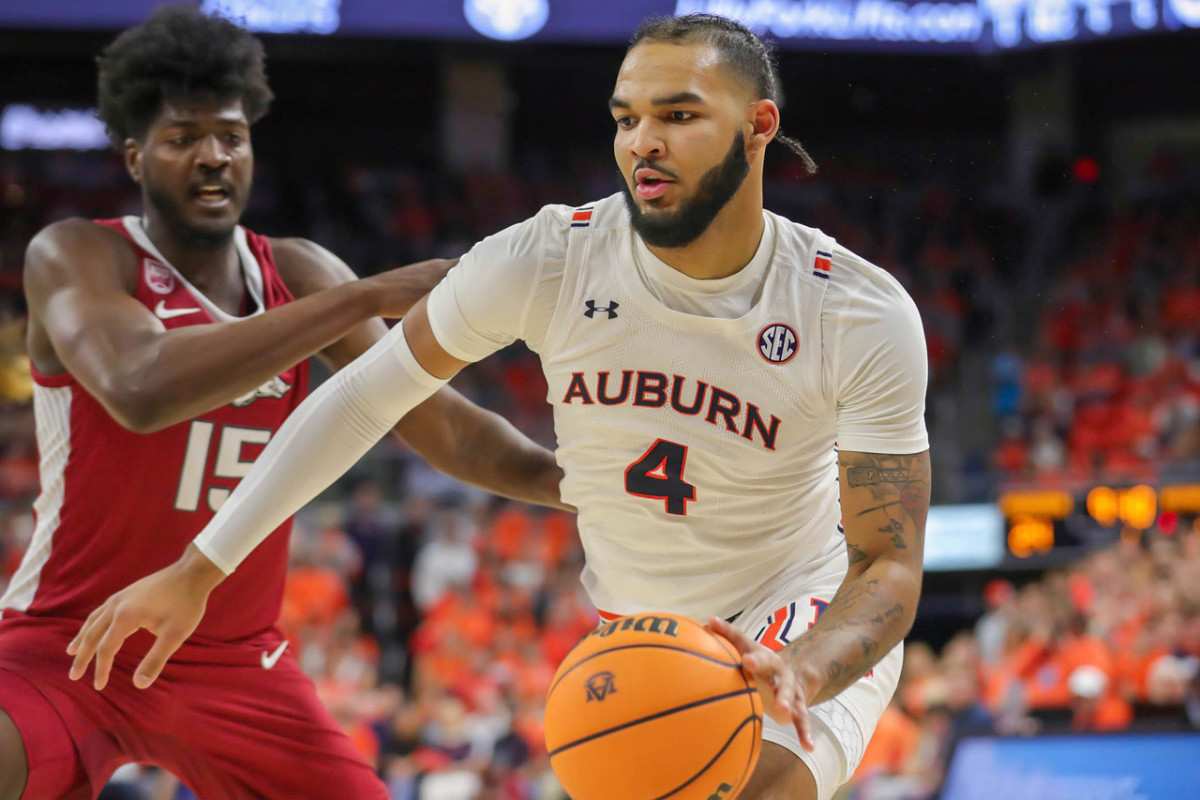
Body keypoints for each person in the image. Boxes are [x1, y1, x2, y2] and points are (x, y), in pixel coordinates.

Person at [71, 13, 931, 800]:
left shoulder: (856, 310)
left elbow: (887, 566)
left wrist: (808, 666)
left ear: (759, 126)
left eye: (678, 115)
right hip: (640, 623)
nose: (643, 143)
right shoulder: (546, 258)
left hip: (794, 603)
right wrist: (200, 568)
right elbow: (365, 400)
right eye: (626, 118)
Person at [0, 7, 566, 800]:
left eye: (231, 136)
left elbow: (446, 429)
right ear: (133, 155)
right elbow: (140, 388)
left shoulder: (296, 271)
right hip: (65, 639)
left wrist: (577, 481)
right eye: (182, 137)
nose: (213, 157)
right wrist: (360, 295)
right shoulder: (78, 254)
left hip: (230, 656)